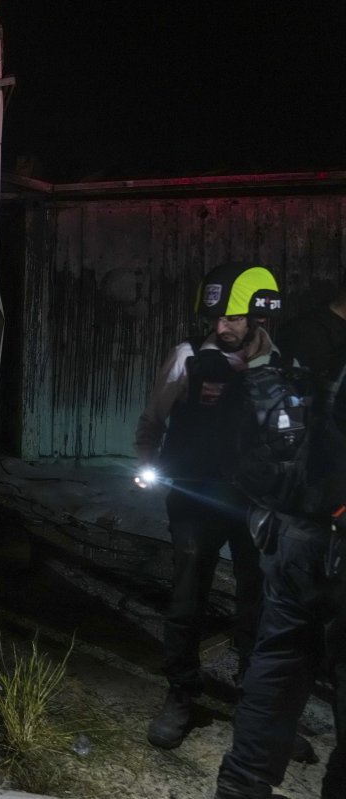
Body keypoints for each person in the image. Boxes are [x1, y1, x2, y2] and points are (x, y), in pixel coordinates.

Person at [134, 263, 281, 750]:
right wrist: (147, 465)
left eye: (234, 317)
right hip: (195, 497)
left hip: (254, 503)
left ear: (256, 317)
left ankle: (253, 705)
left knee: (256, 602)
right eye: (216, 317)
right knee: (185, 599)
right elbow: (154, 418)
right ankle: (180, 695)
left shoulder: (276, 360)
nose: (223, 326)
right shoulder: (188, 358)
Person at [215, 287, 346, 799]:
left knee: (277, 662)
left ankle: (242, 786)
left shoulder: (297, 337)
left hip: (292, 532)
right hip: (330, 538)